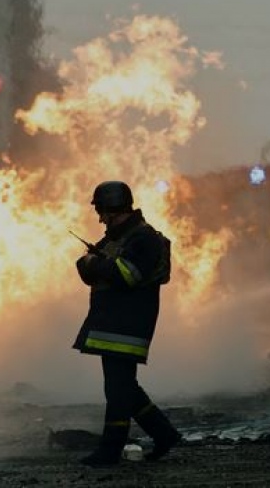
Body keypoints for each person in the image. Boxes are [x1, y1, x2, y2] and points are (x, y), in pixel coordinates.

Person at [73, 180, 181, 466]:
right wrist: (93, 264)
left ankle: (110, 449)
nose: (99, 218)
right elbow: (85, 269)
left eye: (101, 211)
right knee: (125, 388)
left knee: (118, 390)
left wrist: (96, 264)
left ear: (111, 208)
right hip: (111, 324)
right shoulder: (116, 238)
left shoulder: (143, 238)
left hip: (127, 326)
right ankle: (164, 434)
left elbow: (127, 275)